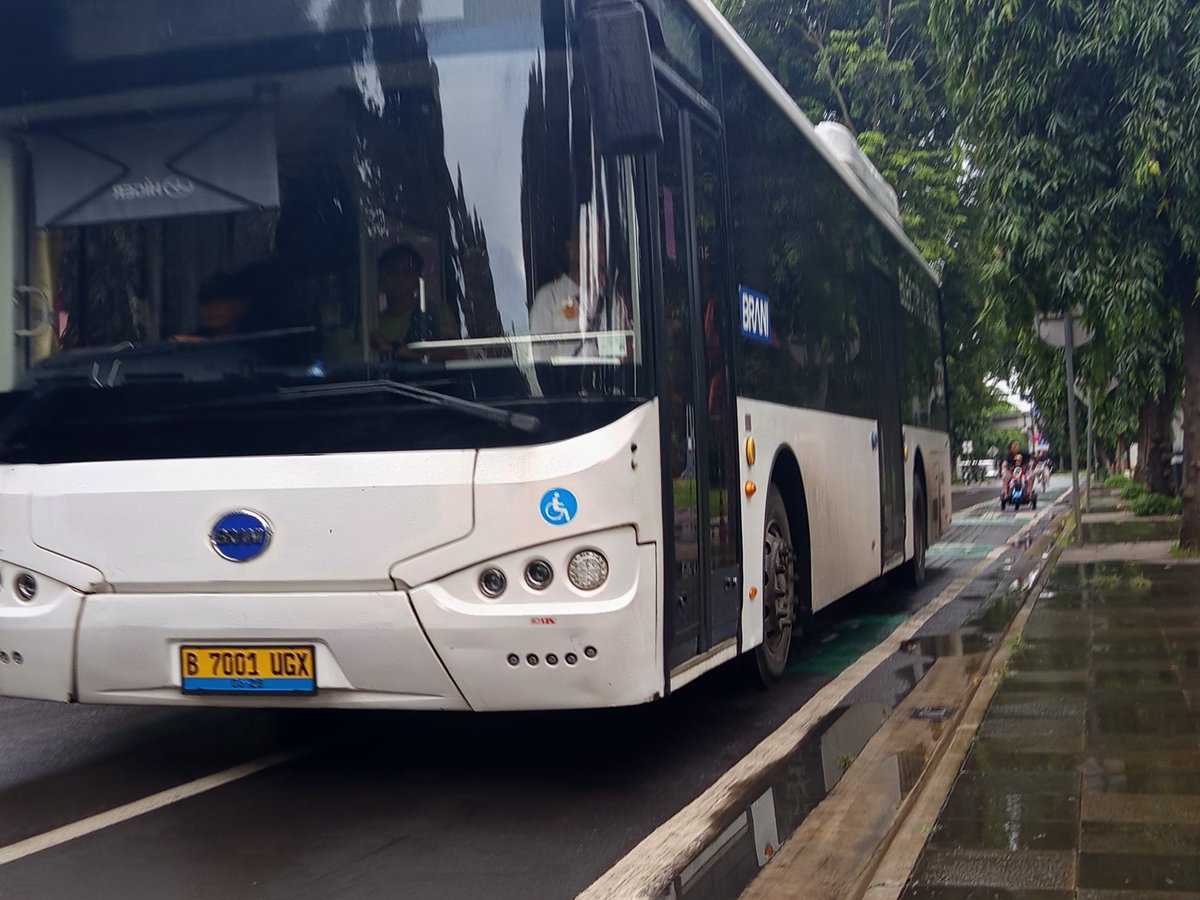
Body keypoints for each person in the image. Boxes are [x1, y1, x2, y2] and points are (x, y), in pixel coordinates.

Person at [371, 243, 454, 358]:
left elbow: (452, 354)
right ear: (380, 278)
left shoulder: (435, 312)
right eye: (391, 270)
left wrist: (394, 351)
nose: (398, 277)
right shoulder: (373, 323)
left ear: (417, 280)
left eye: (406, 271)